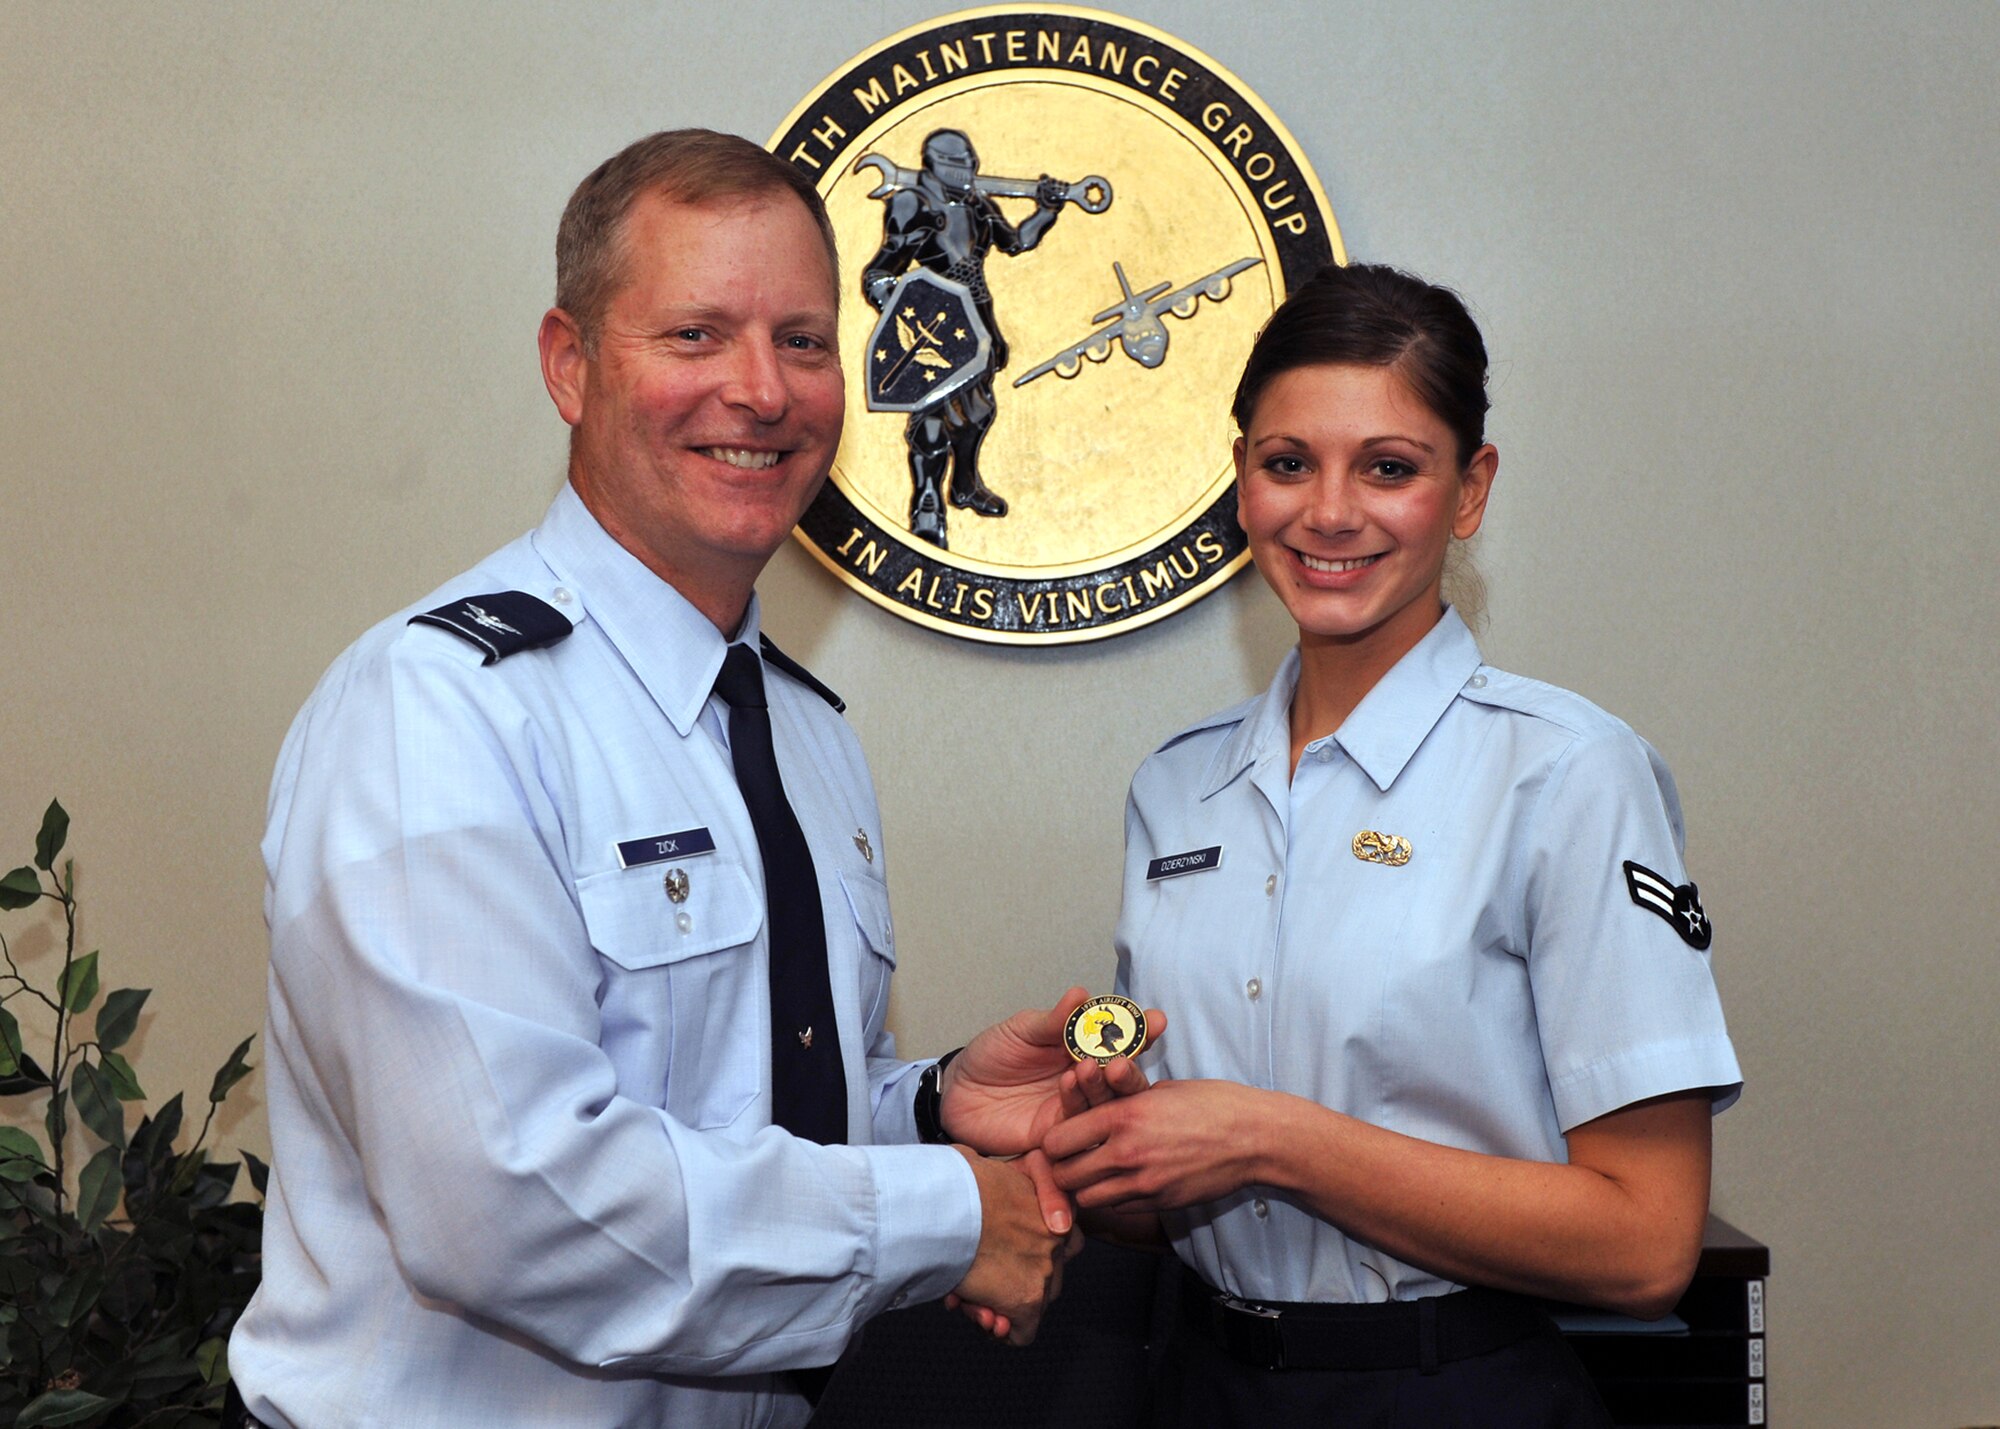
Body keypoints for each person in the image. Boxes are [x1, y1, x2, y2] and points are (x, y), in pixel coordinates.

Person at [227, 129, 1132, 1429]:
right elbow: (507, 1206)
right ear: (569, 364)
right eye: (696, 335)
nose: (763, 391)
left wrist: (933, 1110)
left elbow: (743, 1118)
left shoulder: (802, 731)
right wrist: (955, 1218)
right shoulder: (440, 713)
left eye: (805, 339)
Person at [1042, 263, 1742, 1427]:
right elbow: (1169, 1200)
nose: (1327, 511)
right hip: (1197, 1381)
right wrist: (1107, 1143)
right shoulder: (1176, 786)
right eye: (1285, 463)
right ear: (1240, 482)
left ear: (1467, 491)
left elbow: (1643, 1242)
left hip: (1451, 1388)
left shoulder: (1565, 772)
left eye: (1387, 466)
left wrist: (1269, 1137)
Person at [860, 128, 1069, 548]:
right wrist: (896, 303)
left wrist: (1047, 211)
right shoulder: (910, 203)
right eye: (959, 165)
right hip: (933, 329)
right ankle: (927, 503)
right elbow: (880, 271)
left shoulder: (977, 203)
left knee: (978, 414)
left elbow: (1017, 242)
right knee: (931, 425)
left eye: (971, 163)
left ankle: (965, 485)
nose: (969, 171)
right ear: (935, 164)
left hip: (977, 325)